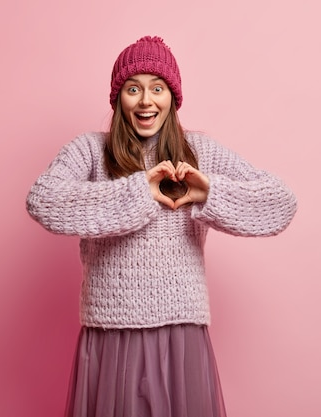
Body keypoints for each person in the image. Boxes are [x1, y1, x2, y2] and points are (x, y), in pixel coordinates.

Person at [25, 36, 297, 417]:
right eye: (133, 88)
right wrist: (140, 191)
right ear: (118, 97)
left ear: (173, 97)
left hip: (180, 334)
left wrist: (209, 193)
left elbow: (280, 204)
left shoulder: (198, 151)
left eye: (158, 88)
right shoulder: (89, 150)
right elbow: (43, 200)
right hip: (111, 331)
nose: (146, 100)